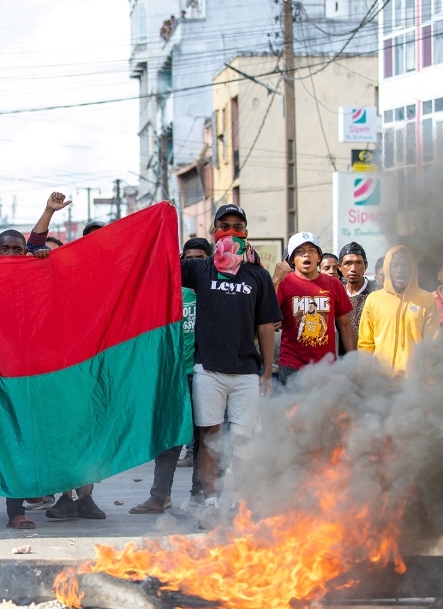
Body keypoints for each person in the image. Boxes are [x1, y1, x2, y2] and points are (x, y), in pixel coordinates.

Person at [181, 204, 280, 517]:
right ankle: (210, 503)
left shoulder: (258, 276)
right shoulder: (200, 269)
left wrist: (266, 371)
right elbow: (160, 265)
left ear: (246, 232)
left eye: (238, 226)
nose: (231, 231)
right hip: (208, 370)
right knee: (209, 437)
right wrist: (165, 219)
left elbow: (266, 324)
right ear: (214, 231)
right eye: (224, 225)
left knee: (243, 441)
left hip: (246, 374)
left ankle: (242, 503)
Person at [131, 237, 210, 516]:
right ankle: (159, 496)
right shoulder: (167, 293)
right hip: (173, 375)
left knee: (205, 437)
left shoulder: (213, 291)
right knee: (170, 438)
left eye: (201, 258)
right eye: (189, 258)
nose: (194, 264)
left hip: (204, 372)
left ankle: (200, 493)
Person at [272, 232, 355, 386]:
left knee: (324, 410)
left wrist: (353, 362)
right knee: (293, 410)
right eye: (300, 251)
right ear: (291, 259)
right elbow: (267, 315)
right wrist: (275, 280)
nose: (306, 255)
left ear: (319, 257)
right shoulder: (283, 283)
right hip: (292, 366)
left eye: (311, 250)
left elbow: (345, 325)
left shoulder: (334, 284)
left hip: (326, 367)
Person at [357, 246, 439, 376]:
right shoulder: (374, 299)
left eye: (405, 265)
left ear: (412, 269)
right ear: (387, 269)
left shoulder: (426, 299)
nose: (400, 270)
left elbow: (432, 344)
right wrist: (362, 375)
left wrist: (433, 379)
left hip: (413, 382)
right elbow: (366, 344)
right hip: (380, 380)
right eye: (395, 265)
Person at [338, 242, 377, 356]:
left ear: (365, 265)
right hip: (342, 362)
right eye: (348, 263)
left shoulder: (377, 293)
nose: (353, 269)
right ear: (339, 267)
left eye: (358, 263)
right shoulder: (336, 294)